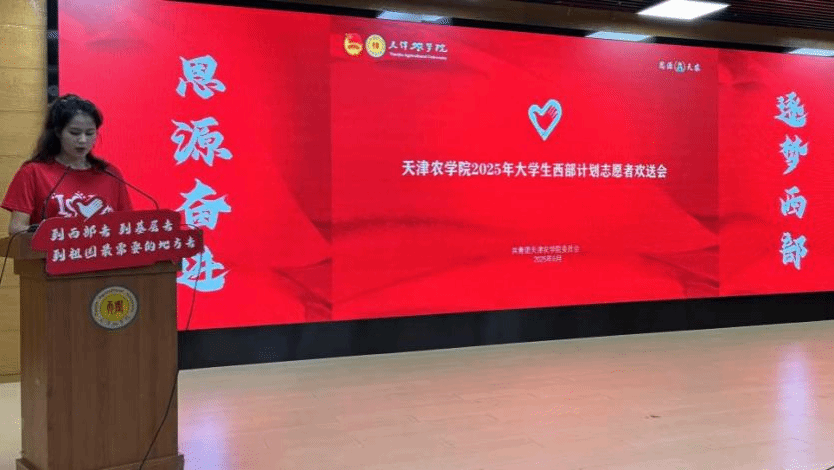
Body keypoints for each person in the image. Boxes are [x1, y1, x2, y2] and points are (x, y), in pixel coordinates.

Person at [2, 94, 133, 234]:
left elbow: (128, 227)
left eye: (89, 133)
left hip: (101, 248)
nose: (82, 140)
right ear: (58, 132)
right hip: (52, 248)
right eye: (75, 133)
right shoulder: (33, 172)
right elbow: (16, 229)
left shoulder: (110, 174)